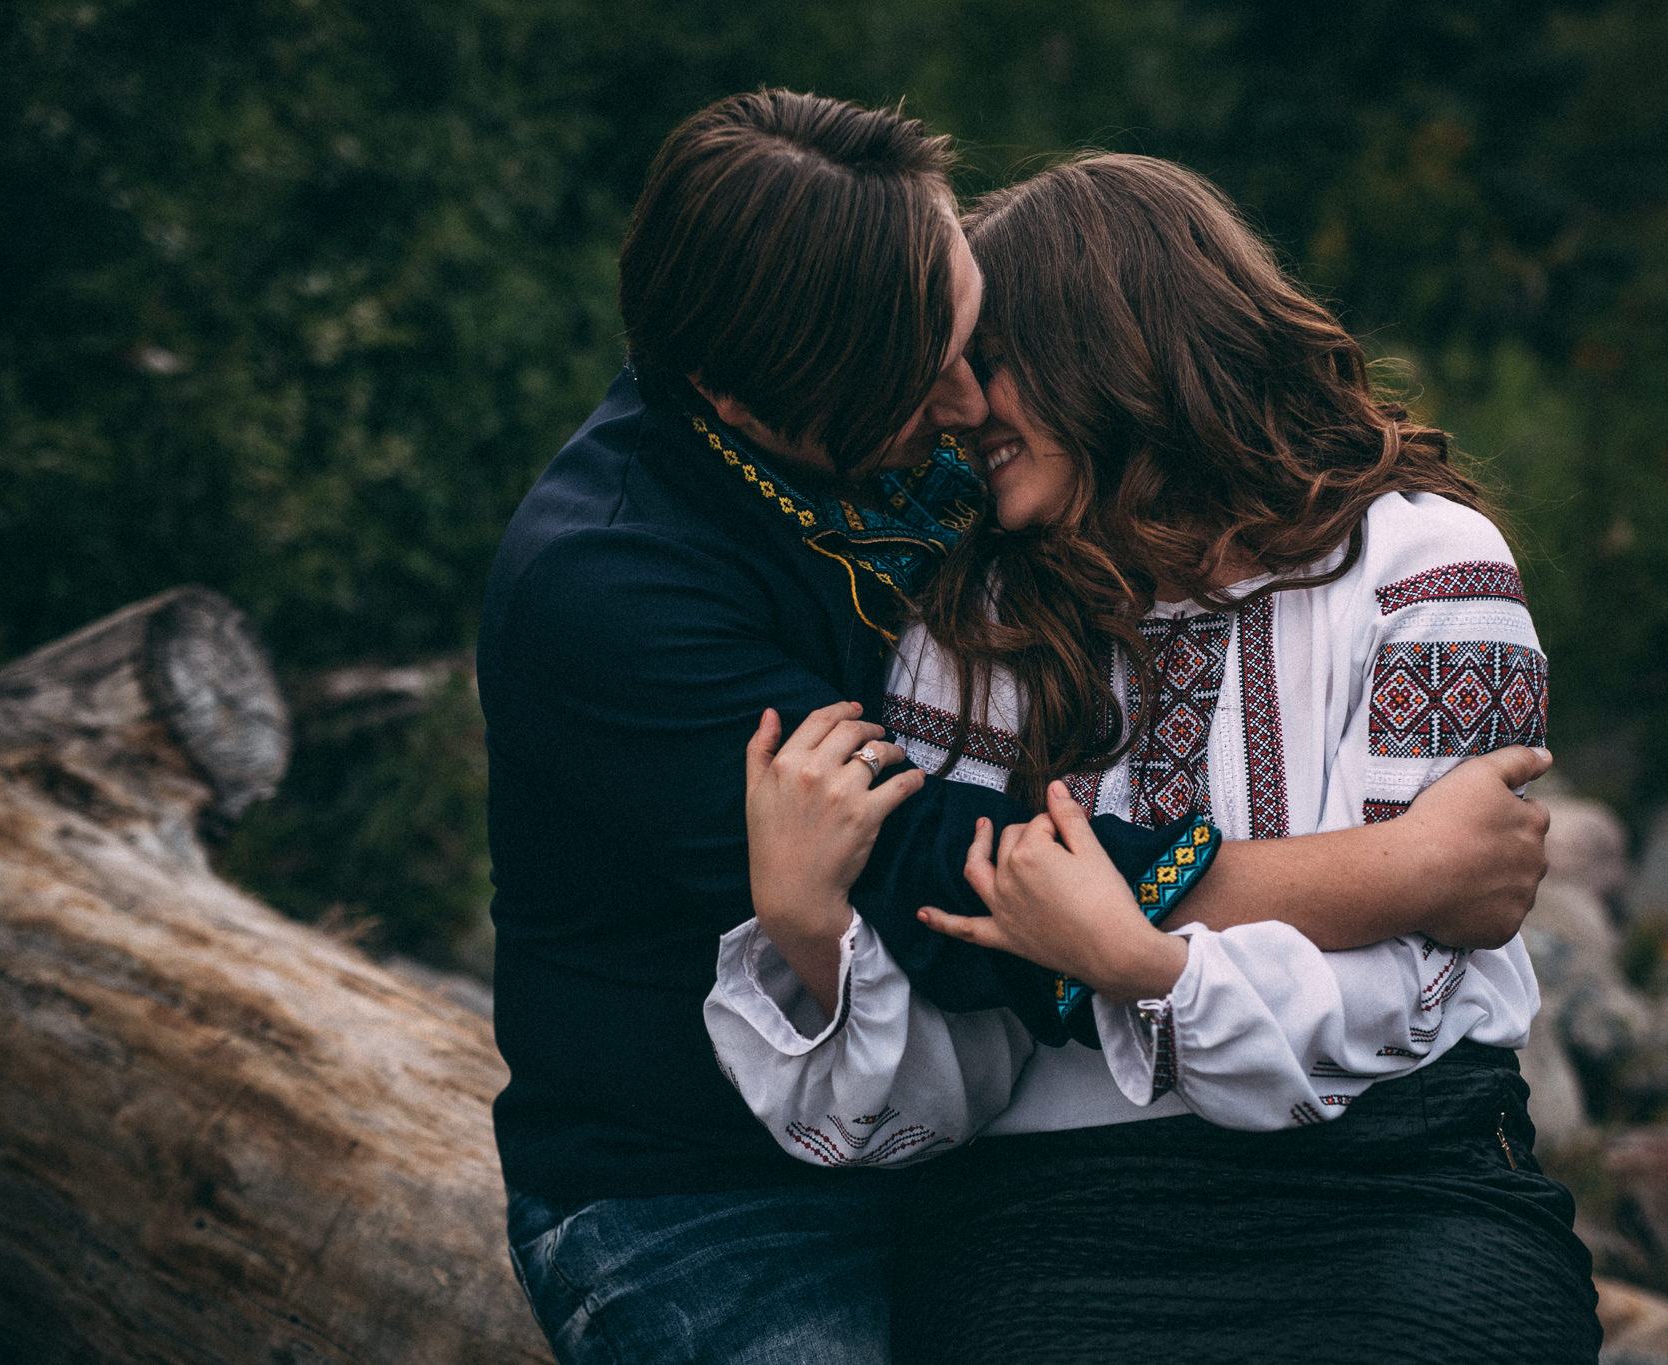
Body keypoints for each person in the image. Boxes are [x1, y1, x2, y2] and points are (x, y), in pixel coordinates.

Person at [481, 90, 1553, 1365]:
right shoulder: (615, 588)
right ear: (753, 385)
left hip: (1320, 1173)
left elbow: (1418, 998)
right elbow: (934, 870)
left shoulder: (1401, 562)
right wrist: (1404, 871)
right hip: (706, 1179)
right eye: (915, 363)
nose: (954, 404)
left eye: (973, 335)